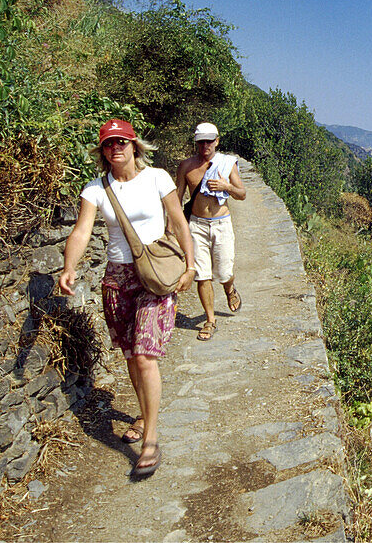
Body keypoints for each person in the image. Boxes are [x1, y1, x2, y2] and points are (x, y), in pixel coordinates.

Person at [58, 119, 195, 477]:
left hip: (155, 275)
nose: (115, 148)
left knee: (146, 355)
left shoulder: (157, 178)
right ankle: (144, 412)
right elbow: (82, 229)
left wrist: (191, 265)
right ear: (102, 151)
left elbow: (179, 221)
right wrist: (69, 266)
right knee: (132, 357)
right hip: (117, 278)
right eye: (108, 144)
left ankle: (150, 438)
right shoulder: (95, 189)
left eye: (122, 141)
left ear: (135, 145)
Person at [175, 122, 246, 341]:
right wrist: (172, 229)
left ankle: (229, 287)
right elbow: (176, 199)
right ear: (196, 143)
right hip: (197, 225)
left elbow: (242, 193)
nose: (205, 145)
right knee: (202, 274)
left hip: (221, 223)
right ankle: (210, 319)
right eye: (201, 141)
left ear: (217, 141)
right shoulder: (186, 166)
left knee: (224, 272)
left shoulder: (227, 164)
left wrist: (227, 188)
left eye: (209, 141)